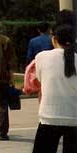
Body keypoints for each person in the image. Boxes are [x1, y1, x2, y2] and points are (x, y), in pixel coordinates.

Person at [32, 24, 77, 153]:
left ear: (54, 39)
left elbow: (41, 80)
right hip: (74, 117)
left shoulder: (41, 57)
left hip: (49, 116)